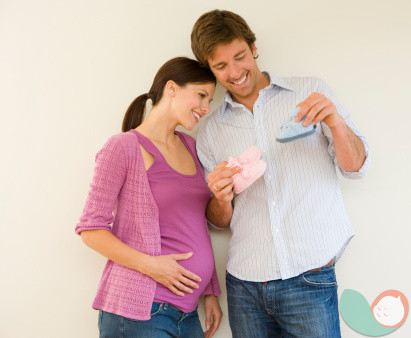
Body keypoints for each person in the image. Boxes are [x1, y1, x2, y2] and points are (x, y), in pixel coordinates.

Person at [191, 10, 371, 337]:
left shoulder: (310, 92)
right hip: (245, 286)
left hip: (310, 277)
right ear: (210, 69)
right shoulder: (210, 132)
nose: (234, 72)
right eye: (220, 66)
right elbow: (218, 221)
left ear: (254, 47)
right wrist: (220, 197)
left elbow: (356, 168)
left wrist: (336, 122)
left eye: (240, 57)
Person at [75, 57, 223, 337]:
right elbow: (91, 230)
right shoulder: (122, 148)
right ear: (172, 88)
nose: (206, 108)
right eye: (201, 95)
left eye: (210, 100)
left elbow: (194, 224)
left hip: (187, 315)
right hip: (140, 312)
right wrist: (153, 267)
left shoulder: (191, 146)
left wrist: (210, 292)